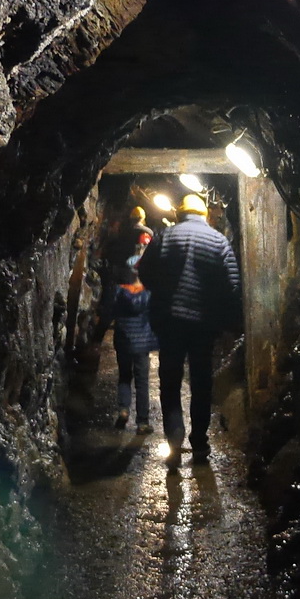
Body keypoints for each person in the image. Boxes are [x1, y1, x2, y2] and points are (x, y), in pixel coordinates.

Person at [137, 191, 241, 465]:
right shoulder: (218, 241)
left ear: (180, 213)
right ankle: (199, 443)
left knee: (170, 381)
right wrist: (220, 315)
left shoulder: (165, 237)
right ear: (205, 215)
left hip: (170, 321)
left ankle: (174, 440)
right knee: (201, 381)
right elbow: (232, 284)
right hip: (203, 323)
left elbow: (144, 271)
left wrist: (162, 293)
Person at [104, 262, 156, 433]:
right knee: (142, 381)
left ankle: (124, 410)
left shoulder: (118, 292)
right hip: (142, 343)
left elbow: (109, 313)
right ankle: (142, 422)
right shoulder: (149, 293)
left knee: (125, 376)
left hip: (124, 340)